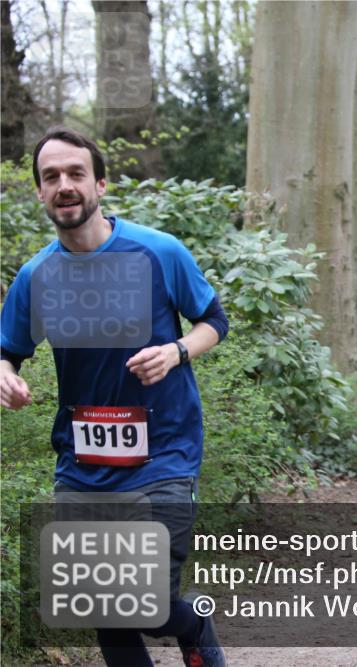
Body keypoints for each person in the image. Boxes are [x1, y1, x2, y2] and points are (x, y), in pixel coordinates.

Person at [0, 128, 228, 667]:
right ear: (39, 192)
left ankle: (191, 622)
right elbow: (7, 350)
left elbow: (213, 321)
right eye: (51, 176)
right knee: (105, 607)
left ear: (99, 183)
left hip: (163, 454)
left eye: (75, 173)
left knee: (143, 603)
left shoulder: (158, 252)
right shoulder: (36, 277)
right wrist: (5, 374)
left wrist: (176, 350)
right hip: (82, 463)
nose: (64, 185)